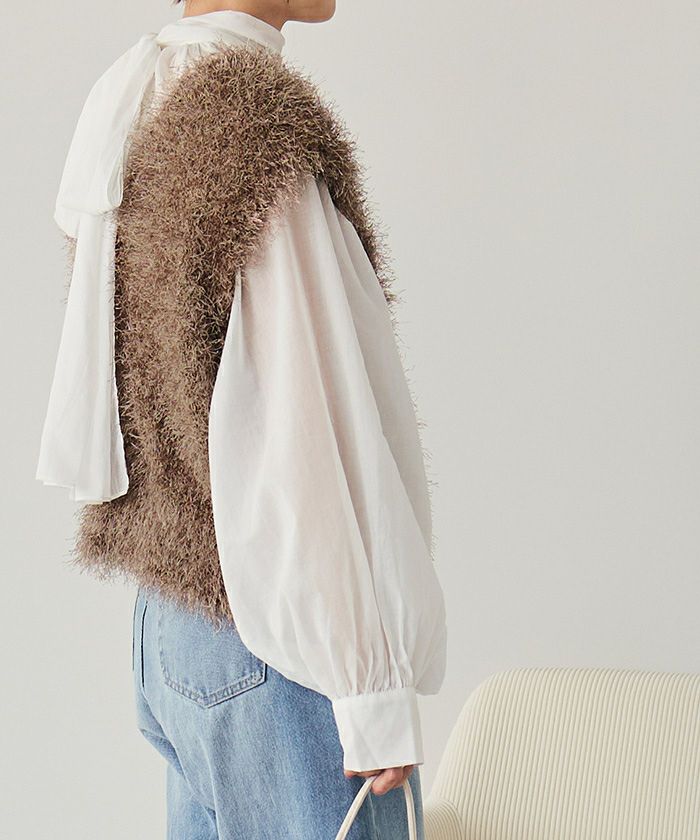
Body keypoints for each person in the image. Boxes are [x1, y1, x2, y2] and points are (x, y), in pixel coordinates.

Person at [36, 1, 448, 837]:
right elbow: (303, 423)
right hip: (276, 636)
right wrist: (367, 682)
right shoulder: (253, 122)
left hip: (174, 628)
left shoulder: (137, 96)